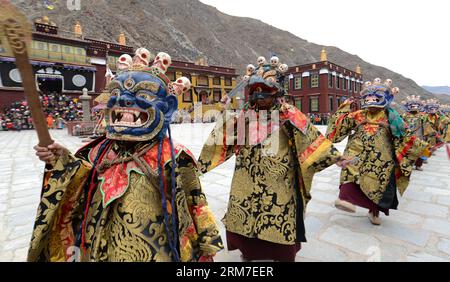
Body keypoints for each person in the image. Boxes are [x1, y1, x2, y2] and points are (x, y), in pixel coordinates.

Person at [29, 48, 223, 262]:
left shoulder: (174, 156)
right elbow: (80, 183)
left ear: (167, 108)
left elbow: (195, 202)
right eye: (115, 93)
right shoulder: (97, 151)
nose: (124, 100)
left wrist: (207, 245)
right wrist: (61, 160)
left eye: (143, 95)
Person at [198, 56, 351, 262]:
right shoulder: (246, 113)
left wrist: (334, 157)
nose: (260, 96)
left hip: (279, 175)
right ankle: (249, 251)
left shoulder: (288, 113)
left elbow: (310, 136)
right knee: (246, 210)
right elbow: (227, 137)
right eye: (256, 91)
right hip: (247, 174)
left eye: (265, 91)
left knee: (279, 211)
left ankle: (281, 254)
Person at [326, 79, 428, 225]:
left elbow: (404, 134)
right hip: (357, 151)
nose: (372, 104)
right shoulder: (359, 114)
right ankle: (346, 199)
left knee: (380, 183)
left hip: (382, 156)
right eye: (369, 99)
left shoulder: (392, 117)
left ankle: (374, 211)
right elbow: (339, 126)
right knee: (350, 169)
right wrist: (346, 107)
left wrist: (388, 127)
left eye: (376, 99)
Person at [401, 95, 429, 171]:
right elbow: (401, 124)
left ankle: (418, 165)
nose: (414, 107)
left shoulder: (422, 116)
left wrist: (426, 134)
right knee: (408, 150)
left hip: (419, 135)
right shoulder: (405, 115)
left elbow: (426, 125)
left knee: (420, 150)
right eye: (412, 106)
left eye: (416, 106)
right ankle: (407, 164)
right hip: (407, 135)